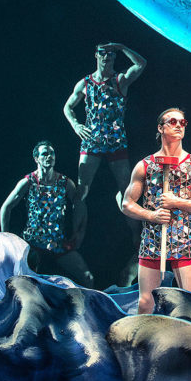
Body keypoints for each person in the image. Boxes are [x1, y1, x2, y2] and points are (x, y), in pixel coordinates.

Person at [122, 108, 191, 313]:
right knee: (146, 302)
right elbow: (127, 204)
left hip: (183, 242)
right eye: (172, 121)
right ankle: (142, 343)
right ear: (160, 127)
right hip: (152, 241)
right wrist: (151, 215)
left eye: (182, 123)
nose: (178, 126)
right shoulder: (145, 166)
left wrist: (177, 202)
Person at [63, 42, 147, 247]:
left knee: (126, 189)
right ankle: (76, 235)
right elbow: (67, 106)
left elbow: (141, 63)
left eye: (111, 54)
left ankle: (137, 236)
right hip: (91, 141)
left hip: (116, 142)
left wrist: (121, 47)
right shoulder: (85, 83)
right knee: (82, 190)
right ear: (96, 55)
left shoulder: (120, 80)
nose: (107, 57)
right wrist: (76, 125)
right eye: (103, 53)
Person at [0, 141, 93, 286]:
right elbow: (6, 207)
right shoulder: (28, 182)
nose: (49, 156)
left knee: (87, 278)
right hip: (32, 243)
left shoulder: (65, 182)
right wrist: (6, 238)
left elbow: (80, 204)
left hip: (57, 243)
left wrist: (78, 233)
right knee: (24, 284)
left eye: (52, 153)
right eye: (45, 154)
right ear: (36, 158)